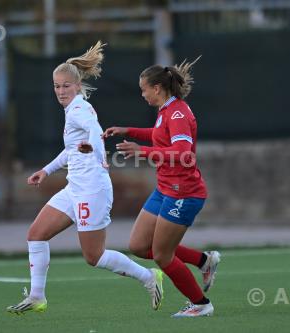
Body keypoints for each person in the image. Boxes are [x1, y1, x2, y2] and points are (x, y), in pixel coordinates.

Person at [6, 41, 163, 315]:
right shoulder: (72, 111)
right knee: (36, 235)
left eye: (66, 85)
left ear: (77, 86)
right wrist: (46, 170)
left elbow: (94, 131)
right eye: (56, 86)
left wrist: (98, 153)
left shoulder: (79, 109)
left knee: (95, 256)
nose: (61, 91)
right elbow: (70, 150)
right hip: (74, 188)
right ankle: (36, 297)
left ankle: (149, 277)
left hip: (92, 189)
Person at [102, 58, 220, 318]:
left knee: (162, 256)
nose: (142, 94)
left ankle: (201, 304)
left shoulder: (177, 113)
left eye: (144, 89)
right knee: (138, 245)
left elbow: (182, 152)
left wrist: (141, 152)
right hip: (165, 188)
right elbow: (159, 136)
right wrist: (128, 131)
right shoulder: (166, 111)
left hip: (183, 193)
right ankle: (204, 261)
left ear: (157, 88)